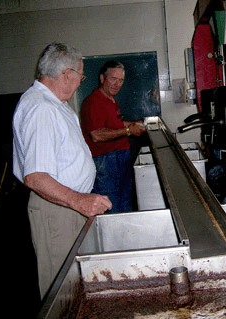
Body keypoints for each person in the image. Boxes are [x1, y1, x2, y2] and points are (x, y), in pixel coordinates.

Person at [12, 42, 112, 300]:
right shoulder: (42, 109)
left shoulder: (54, 104)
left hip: (67, 206)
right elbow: (36, 177)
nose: (81, 81)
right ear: (67, 74)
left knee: (76, 286)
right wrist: (79, 200)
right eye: (80, 75)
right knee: (63, 293)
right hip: (57, 210)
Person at [80, 60, 146, 213]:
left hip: (119, 158)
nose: (117, 84)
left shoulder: (111, 100)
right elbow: (96, 134)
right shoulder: (93, 102)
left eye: (121, 80)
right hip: (105, 161)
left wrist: (138, 124)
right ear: (102, 79)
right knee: (112, 208)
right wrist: (129, 131)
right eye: (113, 79)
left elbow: (116, 124)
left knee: (124, 203)